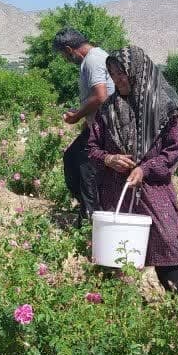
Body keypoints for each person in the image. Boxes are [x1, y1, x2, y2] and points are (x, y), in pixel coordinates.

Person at [85, 46, 178, 293]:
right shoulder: (107, 110)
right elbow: (92, 148)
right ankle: (115, 307)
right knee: (114, 250)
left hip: (153, 189)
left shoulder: (165, 107)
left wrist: (145, 169)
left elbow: (172, 152)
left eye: (122, 73)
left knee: (167, 242)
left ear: (139, 72)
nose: (117, 79)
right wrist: (109, 158)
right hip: (116, 190)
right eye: (112, 73)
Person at [53, 27, 115, 224]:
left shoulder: (93, 60)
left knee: (84, 170)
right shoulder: (96, 57)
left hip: (106, 127)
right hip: (97, 125)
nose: (65, 59)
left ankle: (91, 219)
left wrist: (77, 116)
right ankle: (88, 212)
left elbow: (100, 96)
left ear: (70, 49)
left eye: (64, 55)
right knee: (73, 160)